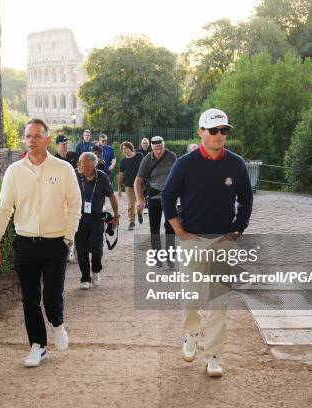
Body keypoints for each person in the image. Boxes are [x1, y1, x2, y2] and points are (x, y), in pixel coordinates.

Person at [160, 108, 253, 377]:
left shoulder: (236, 164)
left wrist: (236, 231)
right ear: (201, 132)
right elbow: (167, 197)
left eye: (224, 130)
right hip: (191, 240)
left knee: (219, 302)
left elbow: (246, 200)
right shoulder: (185, 164)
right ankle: (191, 333)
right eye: (213, 130)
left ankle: (213, 354)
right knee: (191, 296)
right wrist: (179, 231)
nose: (219, 135)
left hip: (223, 241)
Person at [0, 118, 82, 368]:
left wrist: (68, 238)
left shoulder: (63, 169)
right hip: (25, 244)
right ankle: (37, 346)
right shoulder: (14, 172)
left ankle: (57, 323)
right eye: (28, 136)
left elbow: (75, 206)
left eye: (37, 136)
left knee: (52, 296)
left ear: (47, 140)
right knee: (30, 298)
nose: (32, 140)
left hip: (55, 244)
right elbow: (4, 208)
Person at [75, 152, 120, 289]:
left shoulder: (102, 177)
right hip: (79, 218)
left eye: (81, 163)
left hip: (96, 218)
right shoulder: (75, 175)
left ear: (90, 166)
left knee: (97, 248)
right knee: (81, 249)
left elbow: (112, 197)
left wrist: (116, 215)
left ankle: (95, 270)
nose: (78, 165)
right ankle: (85, 278)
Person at [134, 136, 176, 267]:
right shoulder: (147, 159)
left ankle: (170, 257)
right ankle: (157, 257)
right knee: (154, 227)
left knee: (170, 227)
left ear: (164, 146)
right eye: (156, 149)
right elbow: (137, 181)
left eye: (161, 148)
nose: (159, 151)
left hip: (169, 195)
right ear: (152, 148)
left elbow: (179, 175)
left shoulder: (171, 156)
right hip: (154, 194)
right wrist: (140, 198)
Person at [117, 141, 143, 230]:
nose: (124, 150)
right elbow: (120, 175)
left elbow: (145, 167)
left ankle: (139, 213)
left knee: (140, 203)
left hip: (140, 184)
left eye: (126, 148)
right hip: (129, 184)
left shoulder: (139, 155)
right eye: (123, 149)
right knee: (131, 204)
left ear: (130, 148)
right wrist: (119, 188)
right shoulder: (123, 161)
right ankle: (131, 222)